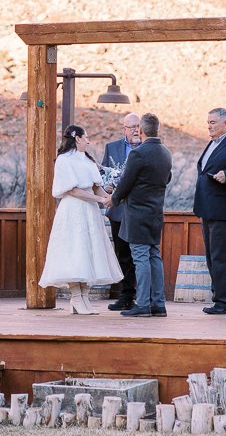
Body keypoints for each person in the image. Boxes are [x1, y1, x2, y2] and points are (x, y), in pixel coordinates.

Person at [38, 125, 120, 315]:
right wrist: (99, 199)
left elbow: (95, 186)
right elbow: (73, 190)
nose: (88, 141)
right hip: (73, 209)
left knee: (89, 250)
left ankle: (84, 295)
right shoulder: (64, 161)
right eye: (86, 138)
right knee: (75, 250)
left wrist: (110, 198)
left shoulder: (87, 160)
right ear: (77, 139)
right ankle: (76, 295)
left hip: (89, 211)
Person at [106, 112, 173, 318]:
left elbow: (126, 183)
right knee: (154, 256)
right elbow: (167, 179)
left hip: (136, 214)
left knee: (141, 257)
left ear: (142, 130)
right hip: (155, 213)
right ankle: (158, 304)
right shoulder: (165, 152)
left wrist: (113, 199)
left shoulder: (138, 154)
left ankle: (143, 303)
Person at [194, 107, 226, 315]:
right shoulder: (213, 143)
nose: (209, 126)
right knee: (212, 257)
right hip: (207, 208)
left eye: (213, 122)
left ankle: (221, 302)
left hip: (223, 209)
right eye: (208, 122)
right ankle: (224, 299)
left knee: (221, 257)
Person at [101, 112, 143, 311]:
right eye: (132, 126)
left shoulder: (148, 148)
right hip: (118, 210)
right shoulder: (112, 148)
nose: (136, 130)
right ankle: (126, 296)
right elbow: (104, 174)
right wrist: (107, 186)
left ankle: (143, 297)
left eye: (139, 126)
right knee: (123, 254)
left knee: (140, 254)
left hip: (139, 210)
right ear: (124, 129)